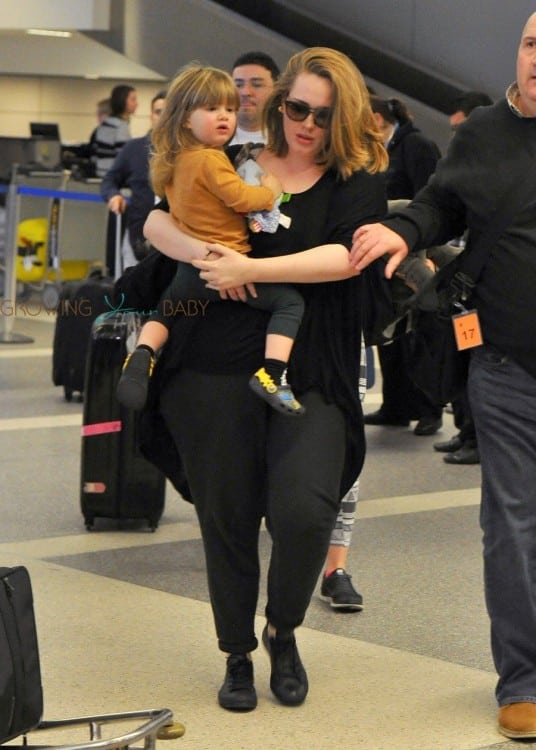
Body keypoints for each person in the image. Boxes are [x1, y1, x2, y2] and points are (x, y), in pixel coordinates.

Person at [141, 47, 387, 710]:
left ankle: (282, 628)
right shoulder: (230, 156)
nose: (307, 122)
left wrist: (256, 271)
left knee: (306, 511)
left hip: (308, 370)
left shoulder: (355, 178)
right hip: (213, 366)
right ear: (280, 103)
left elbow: (344, 259)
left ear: (346, 117)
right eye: (297, 106)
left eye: (323, 113)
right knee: (227, 517)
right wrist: (204, 254)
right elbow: (155, 216)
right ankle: (237, 653)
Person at [349, 12, 536, 739]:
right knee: (511, 525)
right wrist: (403, 229)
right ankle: (522, 679)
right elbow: (439, 204)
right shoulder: (483, 132)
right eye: (529, 44)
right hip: (505, 365)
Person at [117, 65, 304, 416]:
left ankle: (142, 354)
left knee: (167, 309)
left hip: (190, 270)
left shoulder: (175, 161)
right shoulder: (212, 160)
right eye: (212, 109)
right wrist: (270, 189)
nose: (225, 117)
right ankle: (273, 374)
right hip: (229, 264)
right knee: (289, 303)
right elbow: (242, 200)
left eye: (230, 110)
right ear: (185, 118)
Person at [363, 95, 444, 436]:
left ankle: (430, 408)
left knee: (420, 334)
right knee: (392, 334)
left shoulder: (416, 145)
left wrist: (424, 249)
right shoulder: (383, 147)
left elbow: (430, 199)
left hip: (415, 245)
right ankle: (396, 406)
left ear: (380, 116)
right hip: (389, 247)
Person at [434, 91, 493, 466]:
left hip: (487, 299)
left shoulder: (495, 164)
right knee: (462, 362)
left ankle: (476, 438)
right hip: (466, 296)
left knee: (476, 366)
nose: (455, 136)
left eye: (461, 128)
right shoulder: (465, 165)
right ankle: (464, 430)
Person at [100, 90, 167, 269]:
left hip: (176, 237)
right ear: (151, 116)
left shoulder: (188, 152)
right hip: (138, 235)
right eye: (158, 111)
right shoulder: (134, 148)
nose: (163, 117)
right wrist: (113, 195)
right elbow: (109, 180)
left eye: (169, 112)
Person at [229, 51, 280, 145]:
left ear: (276, 90)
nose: (245, 92)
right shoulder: (211, 139)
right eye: (239, 85)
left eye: (256, 85)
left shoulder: (287, 142)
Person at [91, 84, 138, 177]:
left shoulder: (105, 124)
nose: (136, 104)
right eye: (133, 99)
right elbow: (124, 158)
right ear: (123, 101)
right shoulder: (120, 126)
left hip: (100, 174)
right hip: (113, 178)